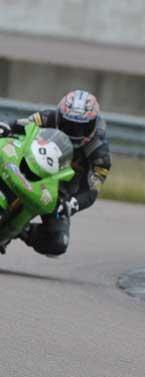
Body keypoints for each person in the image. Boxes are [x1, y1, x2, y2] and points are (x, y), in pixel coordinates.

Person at [0, 89, 111, 256]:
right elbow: (21, 124)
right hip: (29, 163)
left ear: (93, 125)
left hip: (59, 192)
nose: (74, 132)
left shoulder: (99, 153)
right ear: (60, 116)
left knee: (57, 243)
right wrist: (6, 127)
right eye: (69, 124)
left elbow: (92, 190)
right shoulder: (47, 117)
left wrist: (71, 204)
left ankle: (23, 230)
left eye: (81, 128)